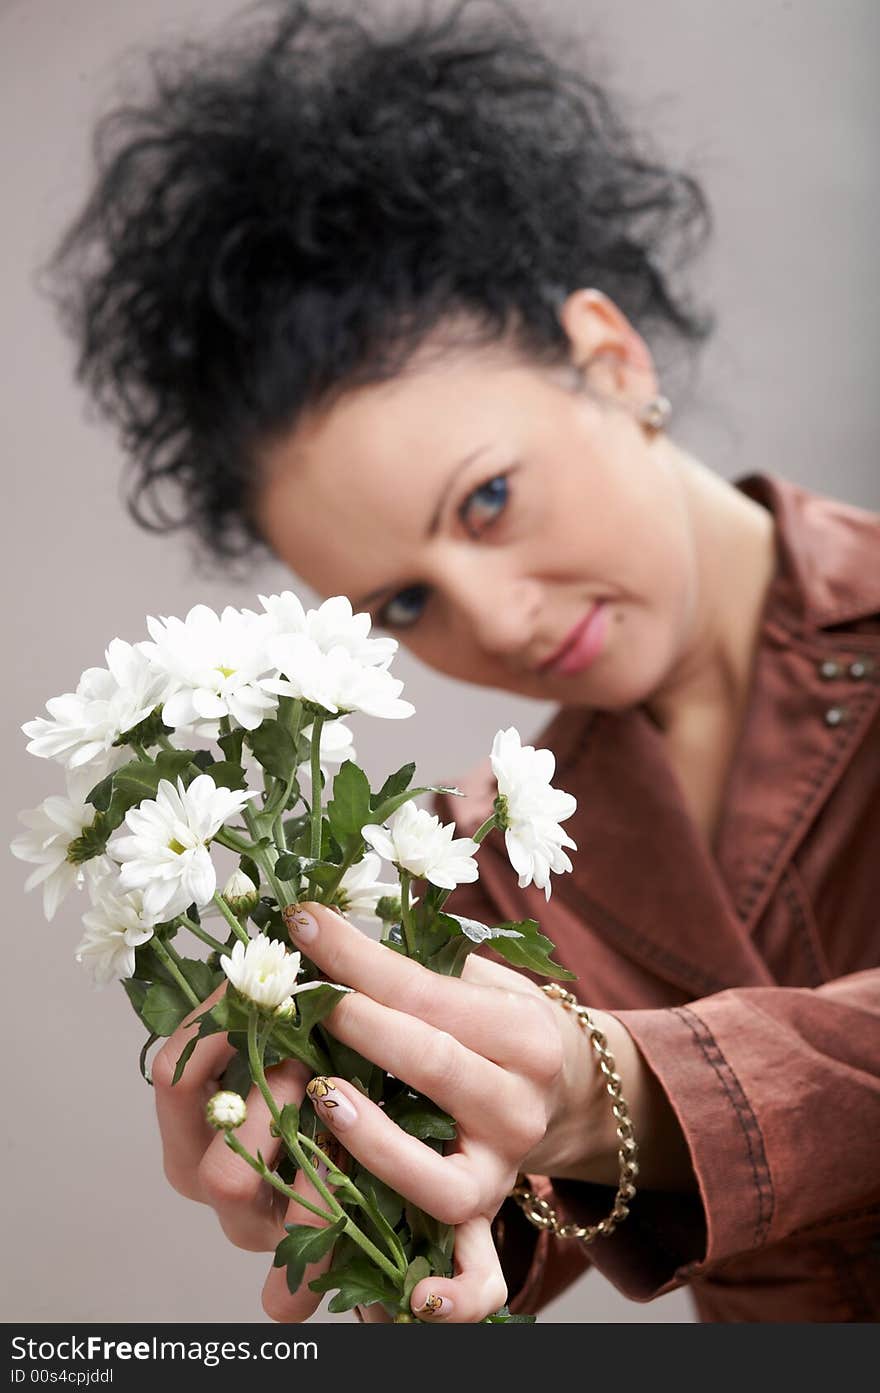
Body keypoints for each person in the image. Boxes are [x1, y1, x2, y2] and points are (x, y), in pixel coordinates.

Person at [44, 0, 880, 1323]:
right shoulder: (465, 869)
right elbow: (512, 1207)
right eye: (403, 598)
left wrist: (619, 1086)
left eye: (488, 499)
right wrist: (366, 1176)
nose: (492, 620)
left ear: (608, 359)